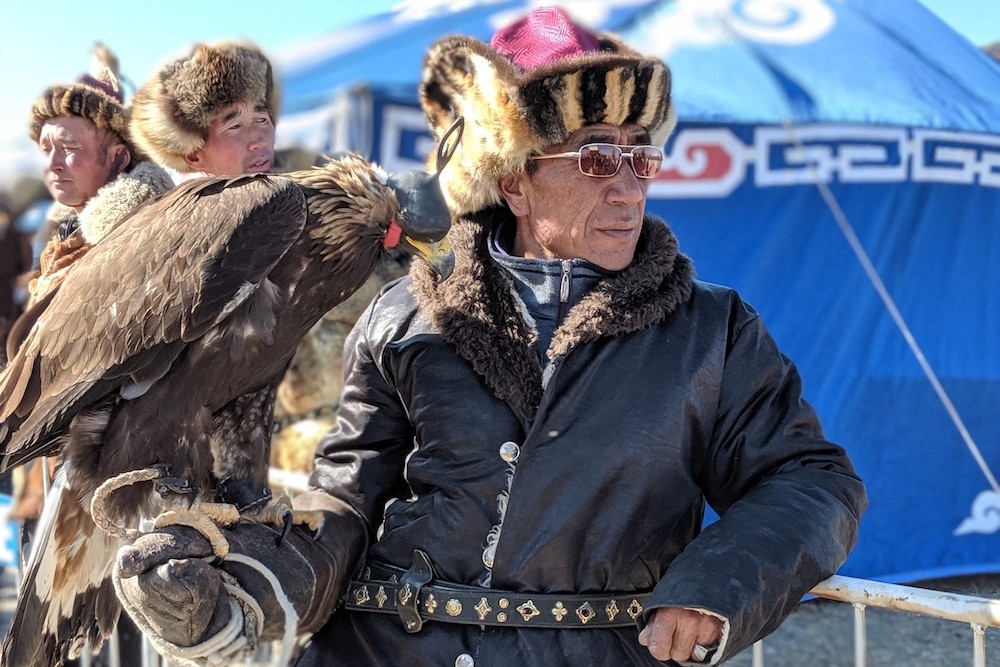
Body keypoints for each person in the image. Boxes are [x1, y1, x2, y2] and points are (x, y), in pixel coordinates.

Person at [115, 7, 867, 666]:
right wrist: (250, 588)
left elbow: (812, 480)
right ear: (513, 178)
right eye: (597, 155)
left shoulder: (713, 330)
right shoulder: (404, 317)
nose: (629, 185)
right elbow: (344, 506)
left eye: (641, 154)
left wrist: (717, 585)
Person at [131, 40, 408, 475]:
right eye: (233, 125)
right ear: (193, 153)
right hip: (168, 456)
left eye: (262, 117)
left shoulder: (307, 206)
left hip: (308, 448)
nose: (258, 136)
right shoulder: (162, 236)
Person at [9, 43, 173, 667]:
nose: (53, 161)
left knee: (132, 631)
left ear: (118, 155)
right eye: (46, 146)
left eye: (70, 146)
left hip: (128, 470)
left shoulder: (143, 236)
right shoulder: (68, 233)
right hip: (62, 468)